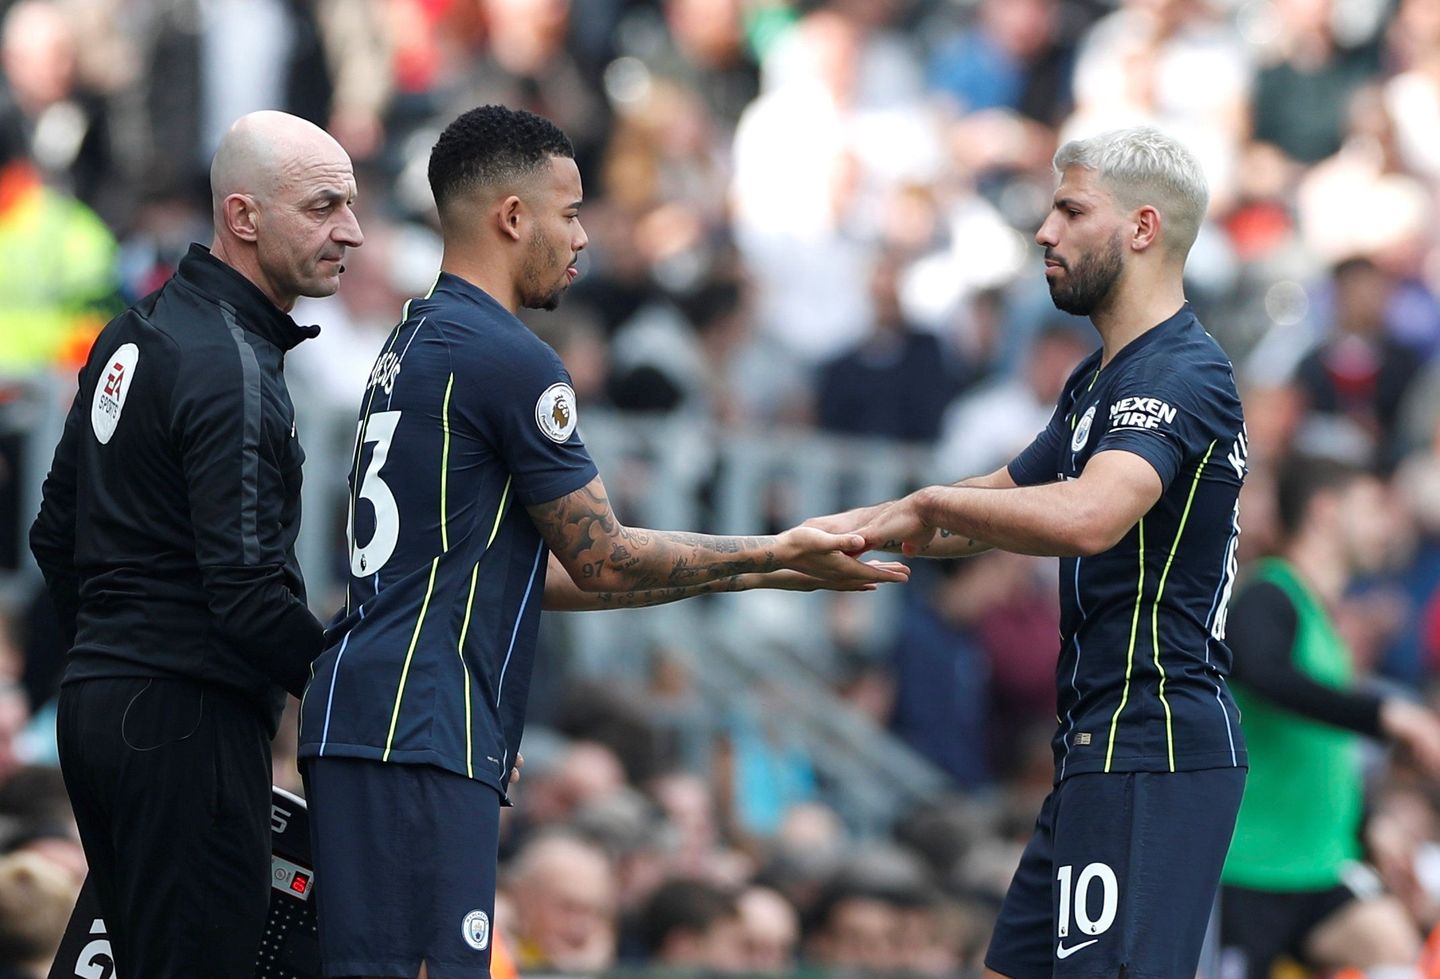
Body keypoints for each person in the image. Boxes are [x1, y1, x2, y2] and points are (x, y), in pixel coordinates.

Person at [295, 103, 906, 979]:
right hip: (420, 723)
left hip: (372, 711)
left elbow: (531, 570)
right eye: (571, 211)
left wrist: (756, 571)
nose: (584, 237)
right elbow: (603, 552)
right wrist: (775, 555)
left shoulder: (414, 340)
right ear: (513, 217)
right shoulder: (513, 358)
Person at [817, 126, 1250, 977]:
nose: (1045, 231)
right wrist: (831, 537)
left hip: (1153, 745)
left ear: (1143, 228)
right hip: (1097, 745)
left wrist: (931, 501)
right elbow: (987, 508)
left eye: (1071, 208)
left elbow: (1088, 516)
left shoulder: (1182, 373)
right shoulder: (1100, 378)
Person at [28, 110, 363, 977]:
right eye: (324, 206)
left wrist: (115, 654)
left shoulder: (136, 333)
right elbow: (250, 596)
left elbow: (54, 532)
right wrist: (371, 697)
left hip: (102, 711)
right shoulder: (233, 367)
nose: (351, 232)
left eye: (351, 206)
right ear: (244, 216)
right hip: (185, 728)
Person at [1220, 454, 1440, 977]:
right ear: (1325, 511)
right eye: (1370, 508)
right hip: (1250, 871)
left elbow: (1318, 750)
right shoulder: (1266, 594)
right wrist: (1389, 716)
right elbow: (1263, 674)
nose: (1385, 525)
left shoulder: (1321, 617)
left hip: (1319, 865)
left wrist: (1372, 824)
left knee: (1394, 948)